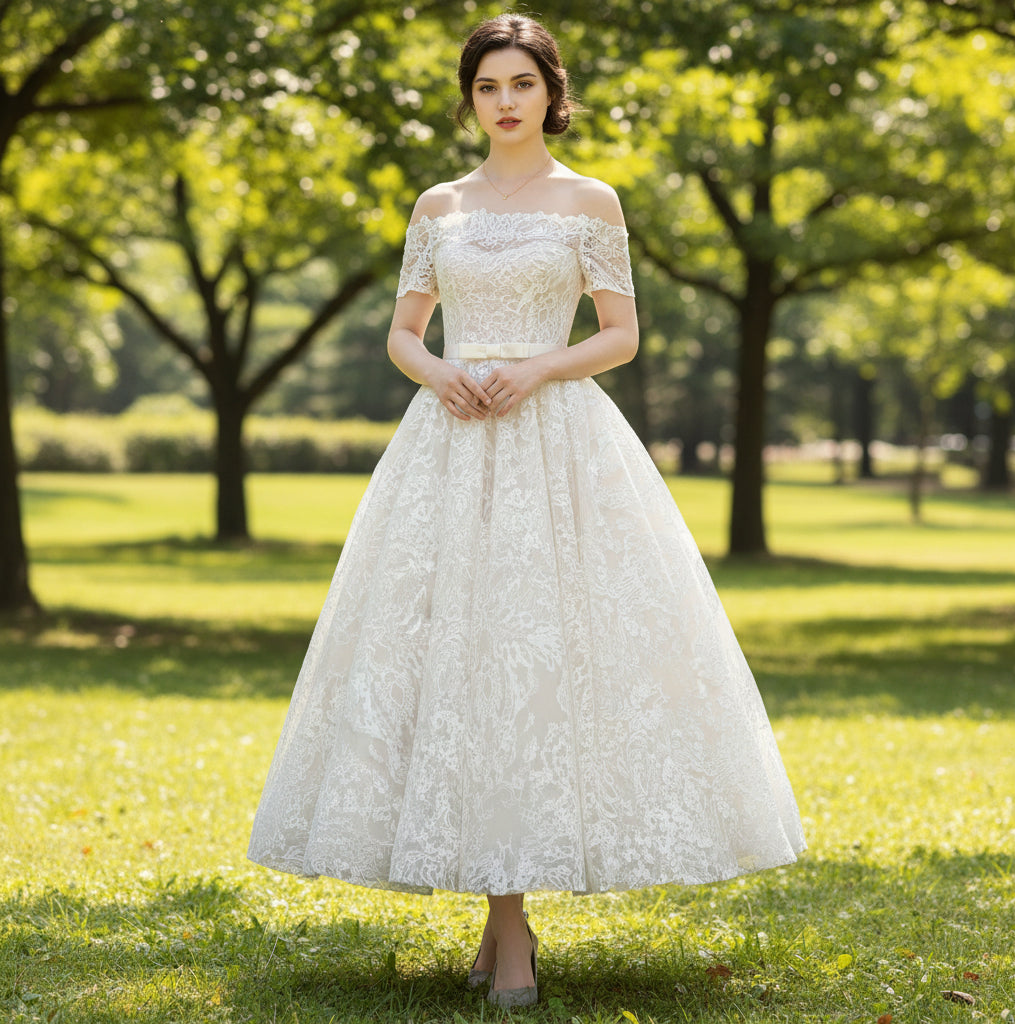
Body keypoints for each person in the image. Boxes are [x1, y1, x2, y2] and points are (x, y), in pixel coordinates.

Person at [248, 13, 806, 1010]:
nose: (504, 101)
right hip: (449, 448)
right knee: (459, 669)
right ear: (470, 100)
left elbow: (621, 334)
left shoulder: (589, 200)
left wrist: (537, 367)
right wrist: (444, 374)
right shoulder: (441, 206)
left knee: (540, 669)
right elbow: (403, 335)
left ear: (552, 91)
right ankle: (507, 929)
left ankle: (508, 935)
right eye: (486, 87)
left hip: (560, 447)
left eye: (520, 83)